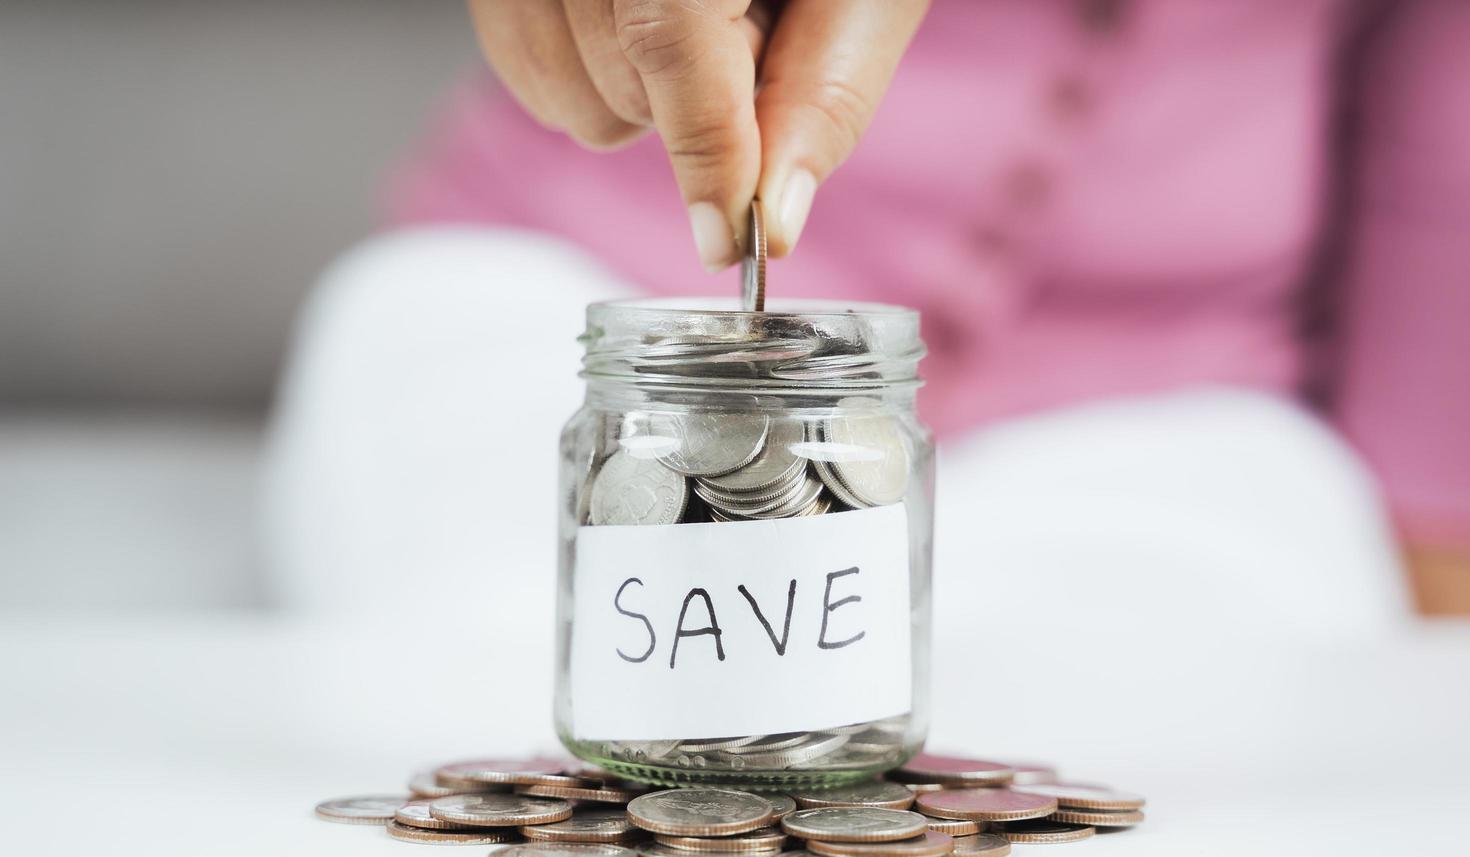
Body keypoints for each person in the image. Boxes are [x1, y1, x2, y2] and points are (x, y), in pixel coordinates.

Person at [265, 0, 1469, 627]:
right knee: (488, 656)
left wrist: (1430, 528)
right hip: (581, 294)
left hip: (1174, 400)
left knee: (1181, 722)